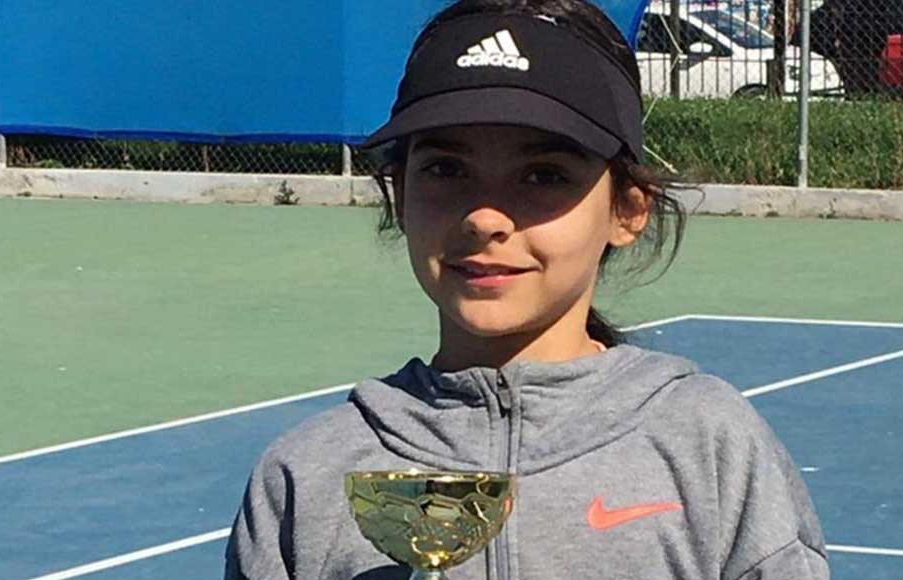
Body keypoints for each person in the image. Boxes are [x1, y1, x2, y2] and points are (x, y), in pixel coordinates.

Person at [223, 1, 830, 579]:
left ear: (627, 210)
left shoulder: (710, 446)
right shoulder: (306, 475)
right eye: (446, 169)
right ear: (398, 195)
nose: (485, 218)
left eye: (544, 175)